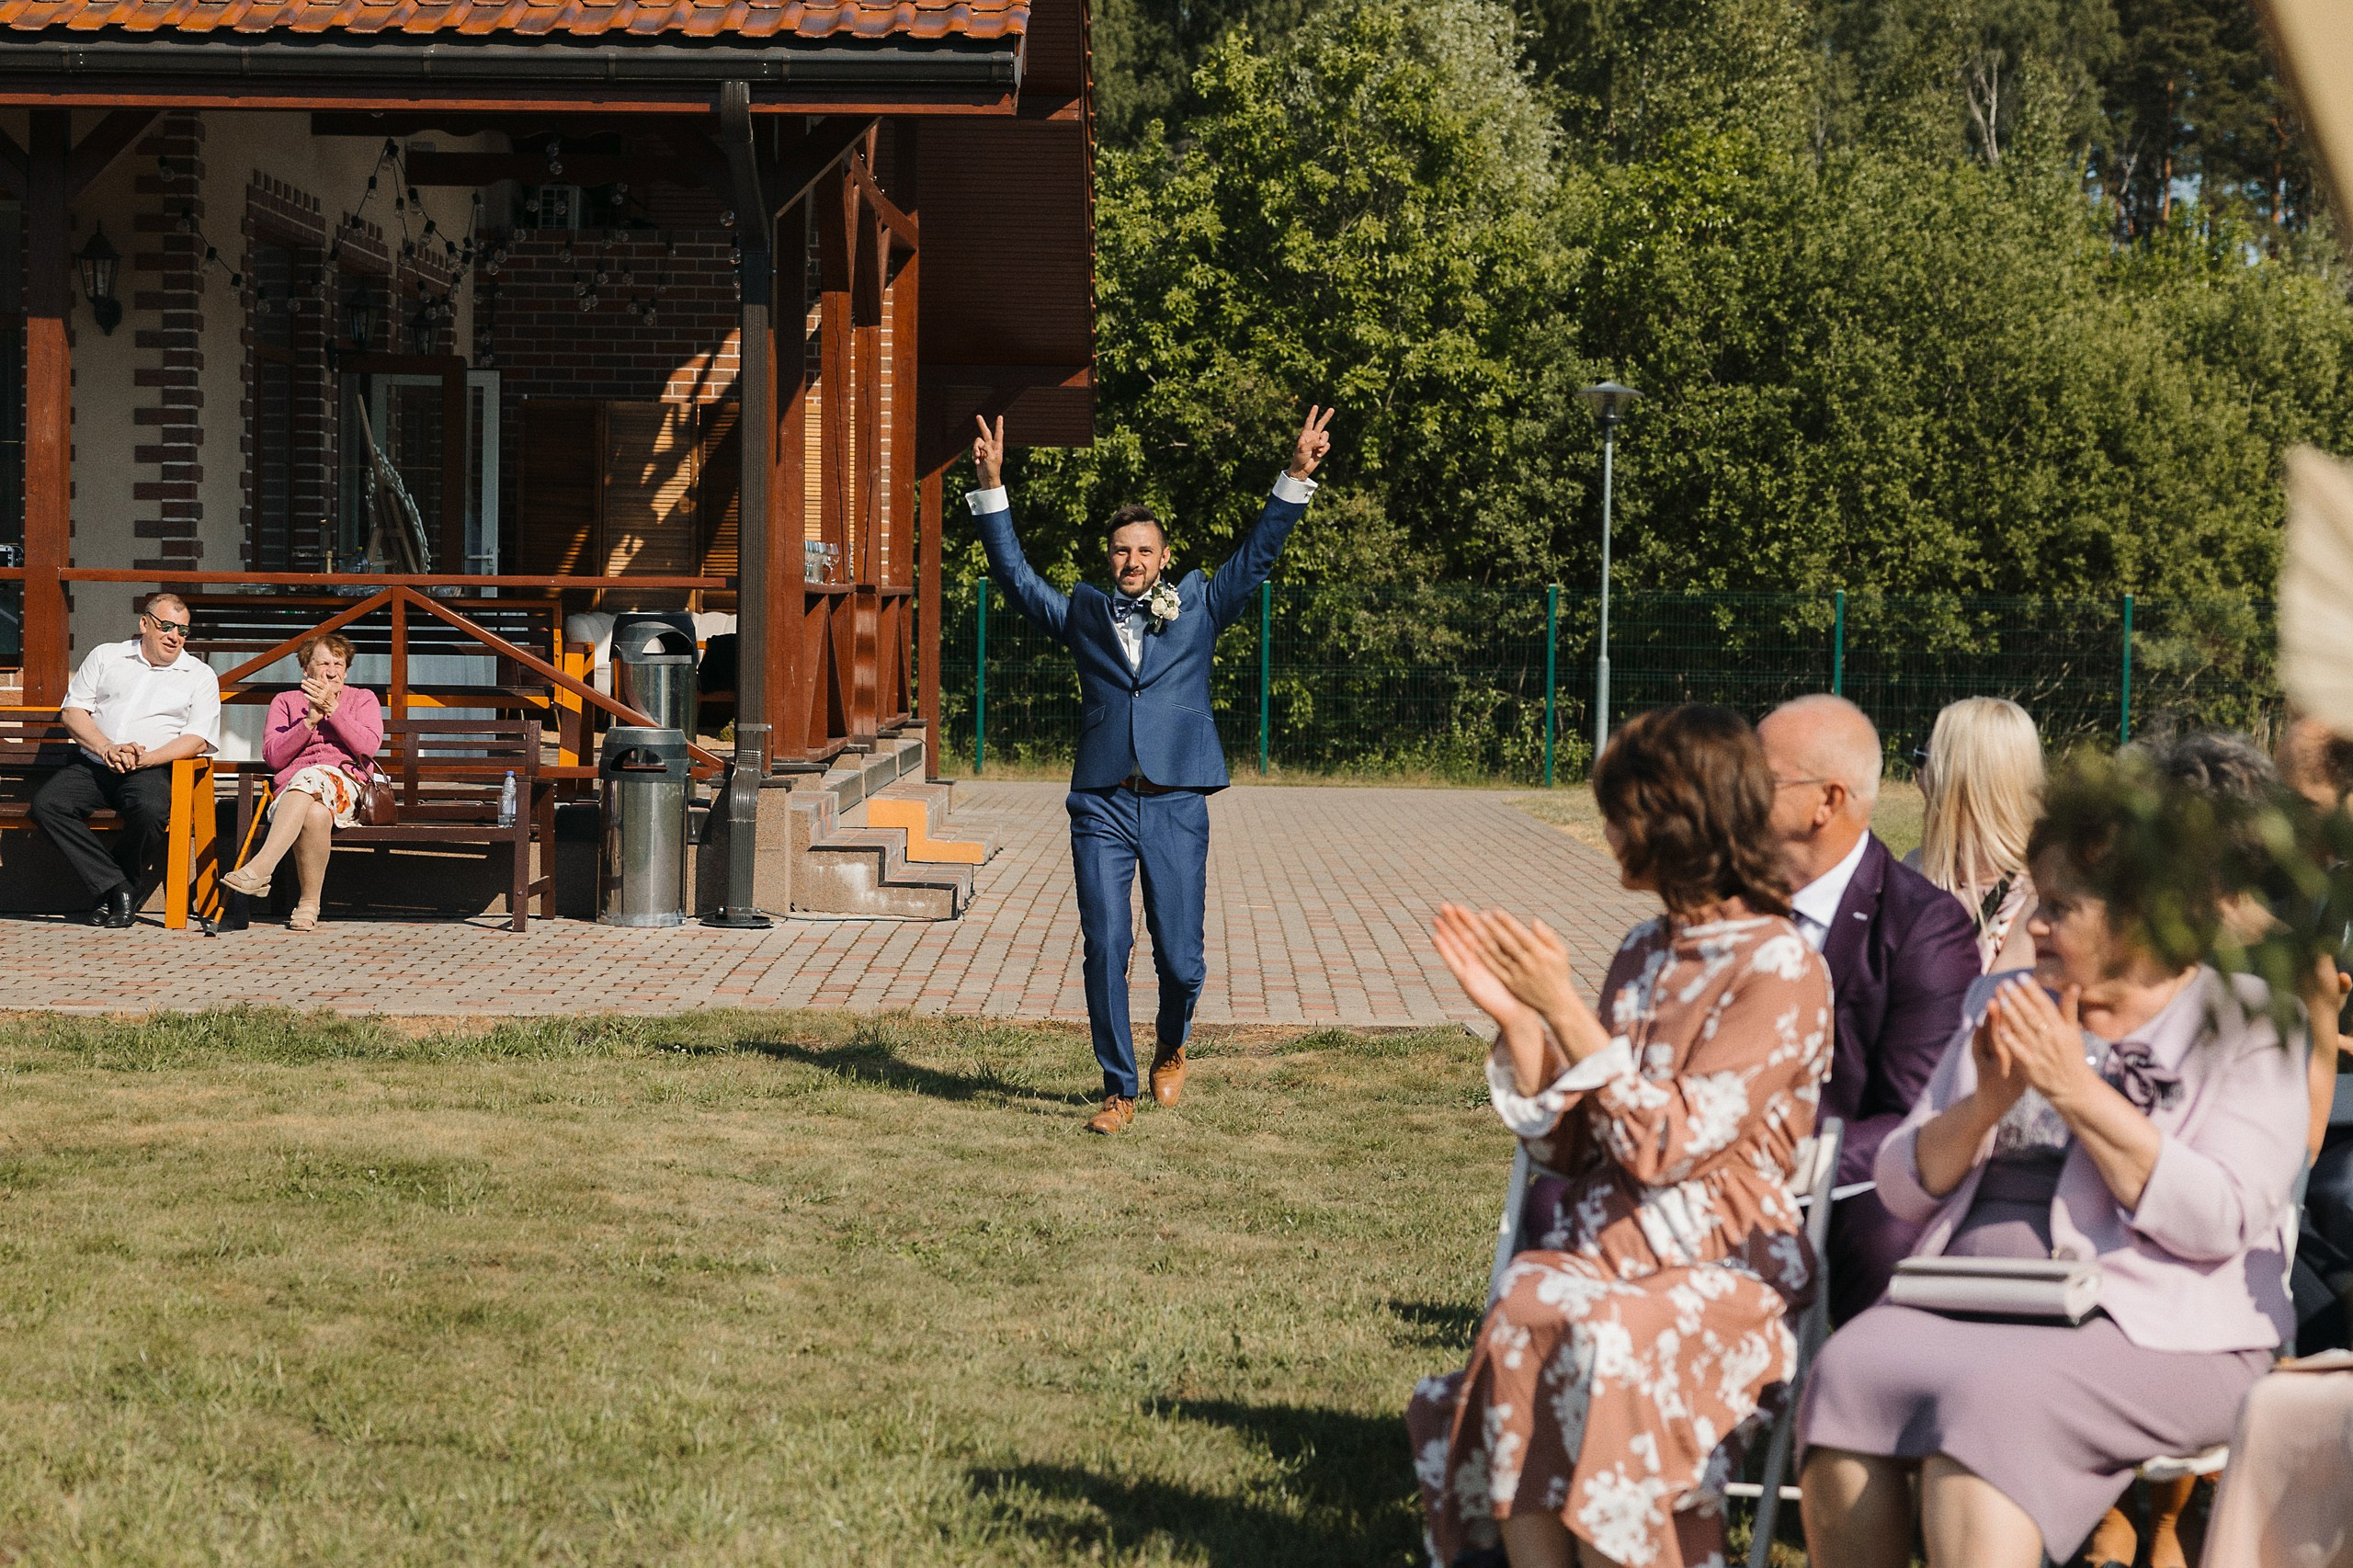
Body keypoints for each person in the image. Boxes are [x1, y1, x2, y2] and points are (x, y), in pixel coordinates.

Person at [1796, 759, 2310, 1568]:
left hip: (2165, 1325)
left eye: (2060, 908)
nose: (2034, 924)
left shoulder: (2246, 1026)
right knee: (1847, 1371)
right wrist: (1984, 1107)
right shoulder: (1997, 1003)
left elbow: (2220, 1222)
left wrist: (2076, 1090)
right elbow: (1898, 1186)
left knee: (1990, 1408)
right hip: (1965, 1299)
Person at [1408, 705, 1835, 1568]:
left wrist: (1566, 1006)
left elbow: (1665, 1145)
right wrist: (1524, 1022)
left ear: (1677, 825)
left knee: (1608, 1333)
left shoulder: (1780, 967)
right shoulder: (1644, 949)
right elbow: (1574, 1146)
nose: (1606, 831)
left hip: (1724, 1264)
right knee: (1526, 1304)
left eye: (1620, 813)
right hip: (1613, 1249)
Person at [966, 403, 1334, 1133]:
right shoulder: (1081, 613)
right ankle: (1117, 1088)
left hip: (1175, 801)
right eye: (1120, 552)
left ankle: (1172, 1045)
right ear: (1108, 559)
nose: (1132, 562)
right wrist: (993, 489)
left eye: (1144, 552)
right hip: (1102, 802)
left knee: (1182, 960)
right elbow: (1013, 576)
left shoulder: (1198, 603)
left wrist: (1294, 476)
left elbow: (1257, 555)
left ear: (1164, 558)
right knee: (1105, 942)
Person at [1756, 694, 1980, 1322]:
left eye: (1756, 780)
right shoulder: (1723, 900)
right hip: (1697, 1152)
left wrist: (1784, 1166)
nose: (1731, 795)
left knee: (1886, 1230)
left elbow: (1916, 1111)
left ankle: (1850, 1398)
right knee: (1556, 1195)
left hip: (1828, 1173)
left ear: (1827, 801)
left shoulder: (1921, 927)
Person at [31, 593, 221, 928]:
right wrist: (106, 748)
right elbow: (73, 712)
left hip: (151, 768)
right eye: (166, 626)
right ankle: (119, 886)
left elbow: (198, 737)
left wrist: (148, 759)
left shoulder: (199, 674)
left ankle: (114, 891)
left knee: (149, 811)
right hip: (94, 763)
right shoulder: (107, 656)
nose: (174, 636)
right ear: (144, 623)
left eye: (183, 631)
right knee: (48, 804)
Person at [220, 632, 383, 931]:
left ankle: (261, 867)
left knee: (311, 775)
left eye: (338, 663)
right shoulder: (285, 702)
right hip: (295, 798)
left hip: (347, 790)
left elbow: (368, 748)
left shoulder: (362, 699)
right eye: (322, 663)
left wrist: (333, 712)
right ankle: (308, 904)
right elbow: (274, 757)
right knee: (314, 812)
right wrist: (308, 722)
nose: (331, 670)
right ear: (306, 669)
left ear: (346, 670)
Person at [1907, 697, 2042, 974]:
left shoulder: (2040, 901)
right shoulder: (1916, 869)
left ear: (1961, 780)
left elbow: (1989, 1010)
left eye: (1922, 758)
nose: (1917, 776)